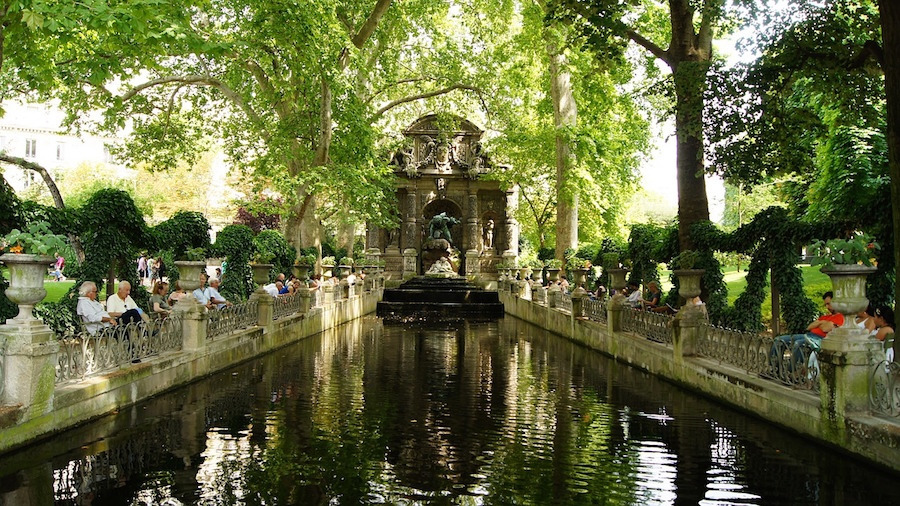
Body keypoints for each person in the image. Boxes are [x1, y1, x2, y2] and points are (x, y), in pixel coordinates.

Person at [770, 292, 842, 372]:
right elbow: (809, 327)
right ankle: (774, 369)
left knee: (799, 344)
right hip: (808, 335)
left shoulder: (841, 317)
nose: (827, 307)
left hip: (819, 339)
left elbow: (825, 329)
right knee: (779, 339)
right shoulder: (826, 316)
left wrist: (820, 323)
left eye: (828, 304)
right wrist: (822, 323)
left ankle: (789, 372)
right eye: (825, 305)